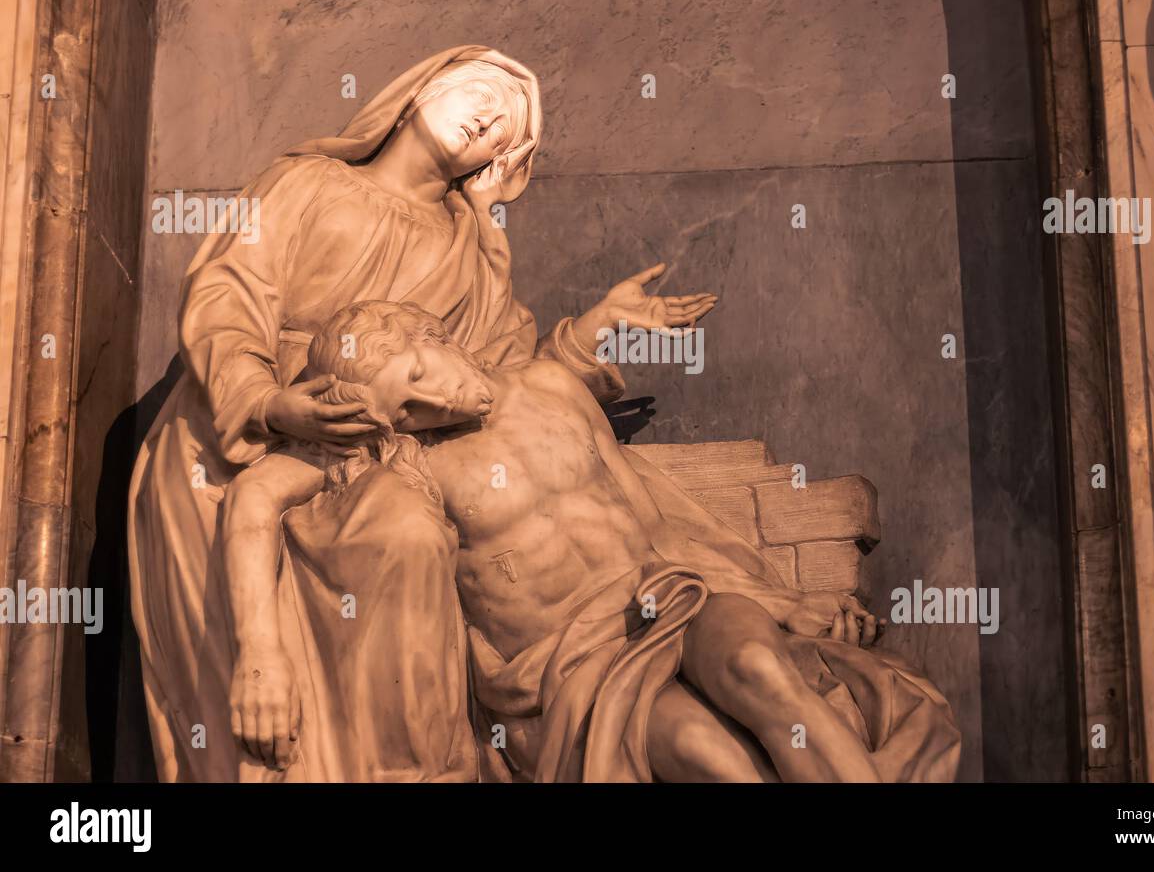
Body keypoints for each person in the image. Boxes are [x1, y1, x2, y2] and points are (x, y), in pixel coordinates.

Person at [128, 46, 715, 781]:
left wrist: (593, 332)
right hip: (239, 432)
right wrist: (271, 401)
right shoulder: (307, 181)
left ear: (500, 161)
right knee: (343, 531)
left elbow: (498, 384)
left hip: (370, 452)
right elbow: (226, 295)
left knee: (410, 536)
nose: (486, 116)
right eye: (480, 92)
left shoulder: (470, 246)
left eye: (505, 127)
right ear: (419, 89)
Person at [223, 300, 956, 783]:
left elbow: (658, 521)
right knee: (712, 758)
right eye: (404, 407)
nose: (430, 404)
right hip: (573, 668)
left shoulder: (548, 385)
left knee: (760, 666)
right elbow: (255, 495)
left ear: (434, 337)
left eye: (419, 377)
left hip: (672, 596)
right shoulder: (399, 459)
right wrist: (261, 653)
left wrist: (790, 603)